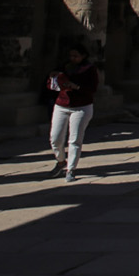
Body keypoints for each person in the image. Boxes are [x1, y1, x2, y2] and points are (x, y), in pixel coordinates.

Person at [47, 44, 100, 182]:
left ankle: (71, 169)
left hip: (82, 106)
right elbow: (51, 85)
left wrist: (76, 86)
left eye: (76, 56)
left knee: (75, 139)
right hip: (62, 104)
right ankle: (60, 161)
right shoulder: (64, 67)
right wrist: (53, 78)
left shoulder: (89, 69)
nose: (73, 58)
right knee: (55, 138)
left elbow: (92, 88)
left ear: (83, 56)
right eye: (71, 56)